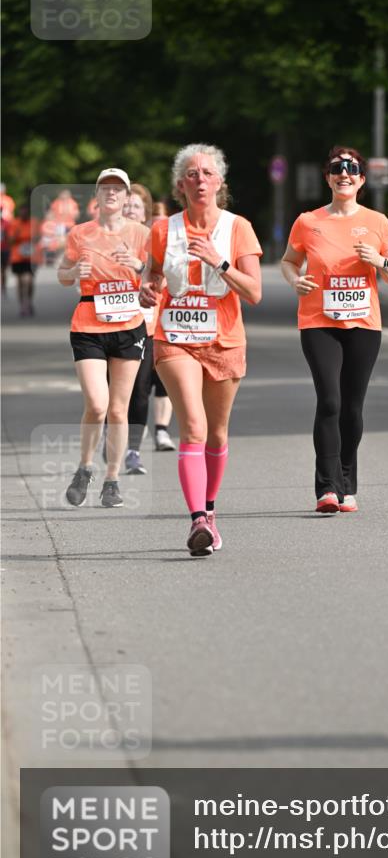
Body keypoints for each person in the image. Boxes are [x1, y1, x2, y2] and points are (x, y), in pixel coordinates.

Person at [140, 144, 262, 556]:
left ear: (220, 182)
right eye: (191, 174)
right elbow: (152, 276)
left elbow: (254, 293)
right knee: (192, 426)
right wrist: (147, 289)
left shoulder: (238, 228)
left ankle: (210, 510)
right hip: (175, 339)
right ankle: (196, 521)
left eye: (207, 173)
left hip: (224, 342)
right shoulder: (163, 230)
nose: (200, 180)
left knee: (217, 431)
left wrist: (219, 262)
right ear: (180, 185)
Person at [281, 146, 388, 513]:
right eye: (337, 168)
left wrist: (378, 260)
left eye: (351, 168)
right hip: (319, 322)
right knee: (330, 401)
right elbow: (288, 261)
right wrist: (295, 280)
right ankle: (326, 489)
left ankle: (347, 484)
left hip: (364, 324)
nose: (344, 173)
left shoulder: (377, 222)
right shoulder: (308, 221)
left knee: (352, 407)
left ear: (361, 180)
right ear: (328, 178)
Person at [58, 168, 149, 508]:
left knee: (118, 408)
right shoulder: (80, 233)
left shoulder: (142, 233)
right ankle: (84, 468)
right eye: (105, 188)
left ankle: (112, 480)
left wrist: (138, 266)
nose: (111, 193)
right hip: (88, 325)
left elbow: (160, 278)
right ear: (96, 196)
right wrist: (72, 272)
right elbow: (62, 274)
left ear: (127, 197)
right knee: (97, 404)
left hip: (128, 326)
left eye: (118, 189)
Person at [122, 184, 175, 474]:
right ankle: (111, 433)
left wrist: (140, 266)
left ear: (145, 212)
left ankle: (133, 450)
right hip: (112, 325)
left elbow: (168, 278)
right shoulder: (107, 237)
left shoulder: (155, 240)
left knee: (142, 388)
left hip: (149, 325)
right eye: (126, 205)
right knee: (115, 391)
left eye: (136, 206)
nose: (130, 210)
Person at [9, 204, 40, 316]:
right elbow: (10, 241)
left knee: (29, 281)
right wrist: (16, 235)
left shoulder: (34, 222)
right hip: (17, 257)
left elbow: (38, 237)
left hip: (31, 257)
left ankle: (29, 302)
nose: (23, 214)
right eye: (21, 211)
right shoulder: (14, 223)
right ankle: (22, 304)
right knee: (20, 282)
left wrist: (35, 238)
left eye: (25, 211)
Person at [1, 182, 15, 293]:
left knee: (4, 268)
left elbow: (11, 213)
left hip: (6, 227)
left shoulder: (9, 200)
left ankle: (3, 286)